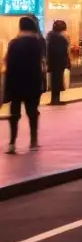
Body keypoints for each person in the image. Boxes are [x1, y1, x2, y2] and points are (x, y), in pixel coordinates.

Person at [4, 16, 44, 153]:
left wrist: (7, 88)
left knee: (14, 113)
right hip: (32, 82)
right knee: (32, 112)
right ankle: (33, 141)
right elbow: (39, 66)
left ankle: (12, 143)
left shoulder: (14, 43)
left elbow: (9, 66)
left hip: (16, 83)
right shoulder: (36, 43)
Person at [45, 20, 69, 106]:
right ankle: (55, 100)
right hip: (57, 63)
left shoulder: (51, 35)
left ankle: (55, 99)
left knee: (55, 81)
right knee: (56, 81)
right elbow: (62, 51)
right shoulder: (58, 37)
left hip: (53, 63)